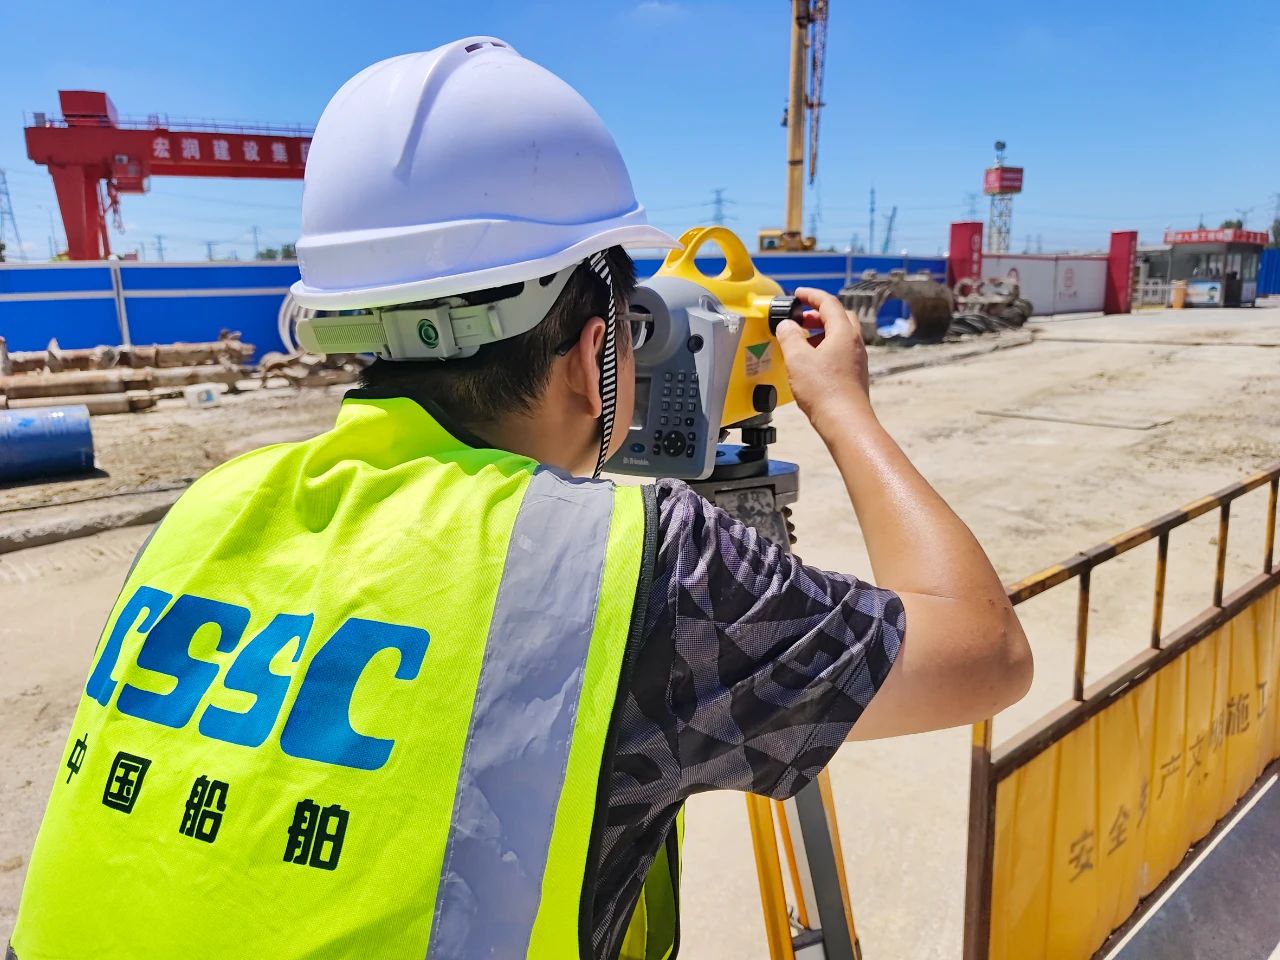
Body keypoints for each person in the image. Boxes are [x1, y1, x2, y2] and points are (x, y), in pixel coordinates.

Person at [8, 37, 1031, 960]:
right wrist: (843, 406)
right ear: (595, 353)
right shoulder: (634, 564)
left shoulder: (209, 508)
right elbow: (984, 651)